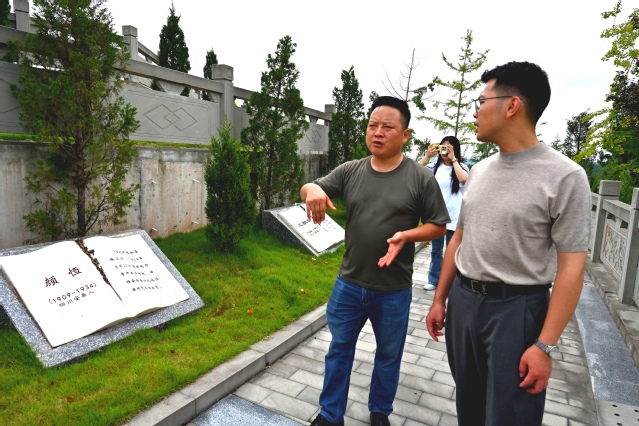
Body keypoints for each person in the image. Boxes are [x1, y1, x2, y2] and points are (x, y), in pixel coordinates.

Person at [425, 61, 591, 426]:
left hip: (518, 310)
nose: (475, 111)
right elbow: (460, 239)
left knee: (509, 416)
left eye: (482, 101)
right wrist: (440, 299)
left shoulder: (566, 177)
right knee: (468, 407)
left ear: (512, 105)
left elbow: (572, 269)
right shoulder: (479, 170)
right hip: (464, 303)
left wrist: (544, 345)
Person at [302, 96, 450, 426]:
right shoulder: (351, 170)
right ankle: (330, 414)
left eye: (387, 127)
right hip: (349, 284)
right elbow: (313, 187)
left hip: (393, 289)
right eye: (372, 125)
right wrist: (310, 190)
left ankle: (380, 411)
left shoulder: (420, 178)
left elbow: (438, 225)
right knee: (339, 350)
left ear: (405, 135)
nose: (378, 132)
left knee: (388, 355)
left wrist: (406, 236)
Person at [417, 136, 469, 291]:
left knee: (453, 252)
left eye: (448, 147)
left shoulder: (461, 167)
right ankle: (434, 280)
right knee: (436, 251)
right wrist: (427, 156)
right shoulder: (434, 167)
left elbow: (464, 180)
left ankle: (451, 283)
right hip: (437, 216)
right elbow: (414, 170)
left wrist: (454, 160)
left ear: (455, 149)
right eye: (442, 147)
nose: (444, 151)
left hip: (455, 217)